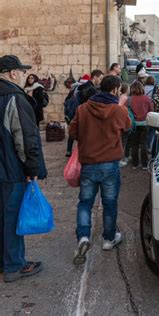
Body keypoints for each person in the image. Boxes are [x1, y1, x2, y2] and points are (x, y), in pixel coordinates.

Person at [69, 75, 131, 265]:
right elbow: (128, 127)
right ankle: (108, 239)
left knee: (85, 202)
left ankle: (83, 237)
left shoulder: (83, 108)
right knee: (109, 202)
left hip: (88, 163)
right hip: (109, 164)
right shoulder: (118, 111)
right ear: (114, 90)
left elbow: (72, 132)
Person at [0, 55, 47, 282]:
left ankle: (5, 262)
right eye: (19, 71)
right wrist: (33, 168)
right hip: (10, 171)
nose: (20, 75)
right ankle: (13, 266)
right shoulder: (14, 98)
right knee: (10, 218)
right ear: (12, 73)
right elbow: (25, 140)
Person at [128, 81, 153, 170]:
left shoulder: (130, 99)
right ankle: (145, 164)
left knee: (134, 144)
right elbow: (151, 110)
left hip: (133, 124)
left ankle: (135, 164)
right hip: (145, 123)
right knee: (144, 144)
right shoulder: (146, 98)